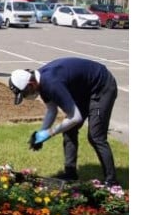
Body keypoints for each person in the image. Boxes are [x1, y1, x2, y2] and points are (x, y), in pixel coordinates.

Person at [8, 57, 119, 187]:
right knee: (69, 129)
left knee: (96, 136)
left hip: (102, 87)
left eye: (25, 93)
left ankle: (111, 182)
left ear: (31, 84)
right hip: (84, 90)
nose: (26, 97)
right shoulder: (41, 82)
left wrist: (49, 133)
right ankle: (70, 173)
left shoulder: (51, 83)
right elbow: (52, 111)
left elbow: (75, 117)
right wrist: (40, 134)